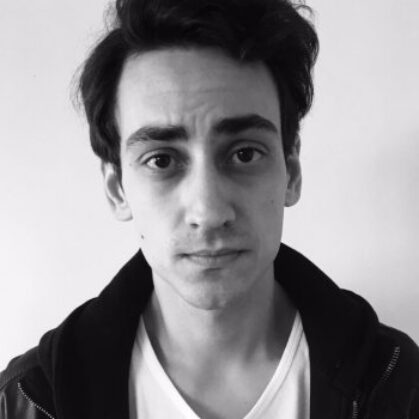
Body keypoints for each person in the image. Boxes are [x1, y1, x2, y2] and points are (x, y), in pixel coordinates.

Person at [1, 0, 418, 417]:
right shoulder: (27, 401)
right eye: (161, 160)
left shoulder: (402, 387)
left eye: (244, 154)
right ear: (117, 190)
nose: (209, 211)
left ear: (290, 172)